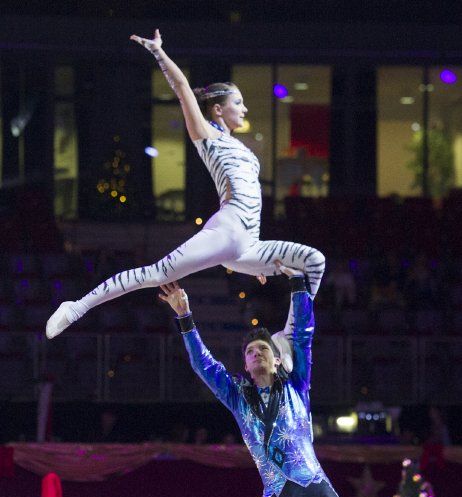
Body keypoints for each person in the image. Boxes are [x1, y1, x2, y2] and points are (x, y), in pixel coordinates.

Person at [158, 265, 423, 497]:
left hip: (314, 490)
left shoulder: (297, 385)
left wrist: (298, 284)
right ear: (246, 365)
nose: (255, 354)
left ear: (277, 360)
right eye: (249, 351)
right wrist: (185, 316)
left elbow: (304, 334)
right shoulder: (238, 398)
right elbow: (204, 366)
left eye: (263, 349)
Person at [45, 28, 325, 339]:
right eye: (238, 102)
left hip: (249, 244)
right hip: (227, 231)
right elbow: (182, 88)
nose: (244, 109)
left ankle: (288, 337)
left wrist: (254, 264)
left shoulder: (244, 150)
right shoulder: (208, 137)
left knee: (314, 261)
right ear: (218, 109)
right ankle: (76, 307)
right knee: (155, 274)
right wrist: (159, 52)